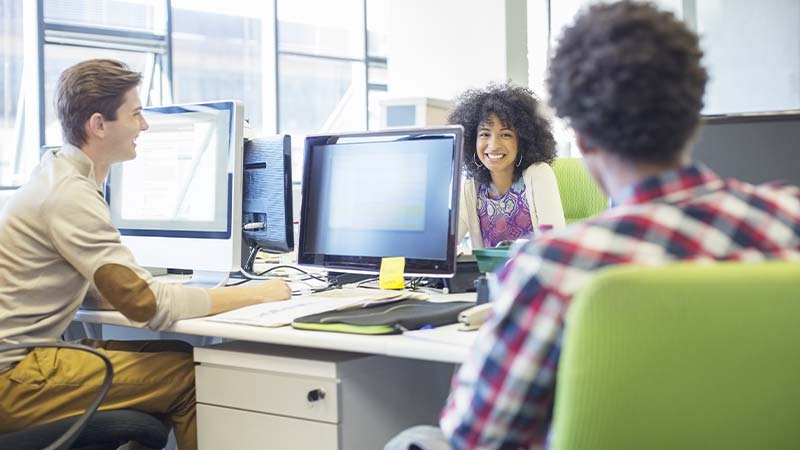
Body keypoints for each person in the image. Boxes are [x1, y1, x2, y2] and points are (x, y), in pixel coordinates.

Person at [386, 1, 800, 449]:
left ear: (579, 136)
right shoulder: (790, 219)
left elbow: (476, 435)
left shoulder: (554, 268)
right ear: (692, 117)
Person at [0, 59, 291, 450]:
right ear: (99, 125)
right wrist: (259, 293)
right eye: (136, 114)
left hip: (20, 364)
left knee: (170, 354)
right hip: (14, 381)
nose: (145, 125)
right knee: (190, 375)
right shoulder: (70, 195)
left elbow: (111, 290)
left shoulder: (55, 176)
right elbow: (146, 306)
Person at [449, 83, 565, 249]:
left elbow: (555, 246)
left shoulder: (538, 175)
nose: (493, 145)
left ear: (522, 140)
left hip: (532, 273)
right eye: (484, 134)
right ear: (471, 140)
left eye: (505, 134)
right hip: (489, 275)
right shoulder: (471, 186)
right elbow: (445, 244)